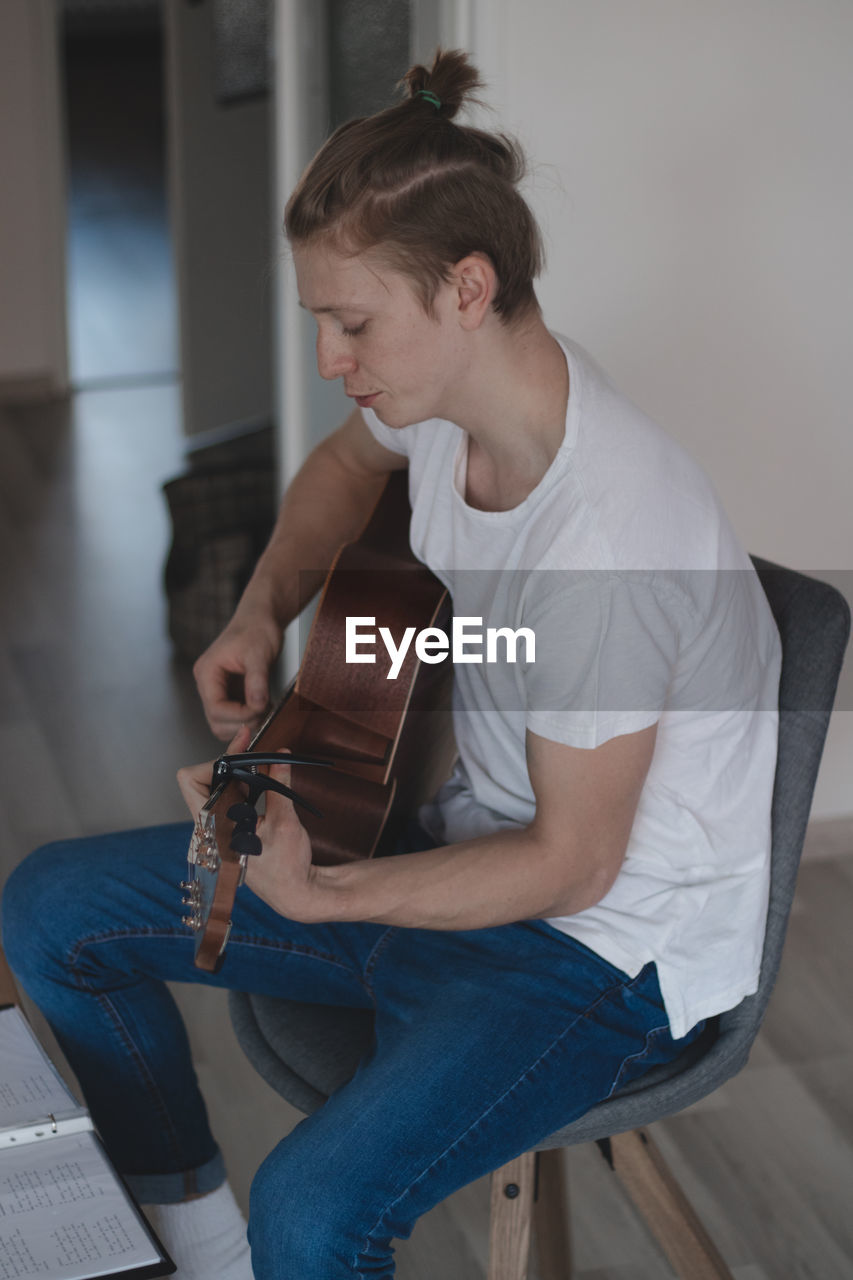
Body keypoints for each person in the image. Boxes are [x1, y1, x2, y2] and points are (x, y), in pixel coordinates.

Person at [1, 49, 781, 1280]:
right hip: (458, 855)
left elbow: (574, 866)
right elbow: (343, 466)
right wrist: (265, 605)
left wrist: (328, 893)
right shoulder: (451, 401)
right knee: (53, 908)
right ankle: (204, 1250)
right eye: (323, 316)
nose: (328, 357)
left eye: (349, 321)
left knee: (315, 1210)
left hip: (596, 954)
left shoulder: (609, 543)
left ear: (467, 288)